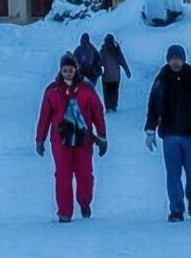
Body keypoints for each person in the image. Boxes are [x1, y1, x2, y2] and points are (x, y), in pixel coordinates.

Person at [141, 43, 191, 222]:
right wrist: (150, 129)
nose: (175, 62)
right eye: (172, 59)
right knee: (173, 173)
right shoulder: (162, 78)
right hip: (169, 134)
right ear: (168, 60)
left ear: (183, 59)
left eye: (178, 58)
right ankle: (176, 208)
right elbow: (153, 104)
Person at [33, 53, 108, 222]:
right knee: (63, 176)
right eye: (65, 70)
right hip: (61, 140)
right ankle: (65, 212)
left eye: (71, 70)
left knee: (85, 174)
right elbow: (44, 116)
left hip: (84, 139)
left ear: (76, 70)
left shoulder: (86, 89)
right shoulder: (52, 90)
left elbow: (97, 112)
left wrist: (102, 136)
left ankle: (84, 202)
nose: (68, 73)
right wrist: (40, 139)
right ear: (61, 71)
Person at [100, 33, 132, 111]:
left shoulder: (103, 50)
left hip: (106, 75)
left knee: (107, 92)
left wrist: (97, 70)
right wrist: (127, 71)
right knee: (114, 91)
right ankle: (113, 106)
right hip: (115, 75)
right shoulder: (117, 50)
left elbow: (99, 62)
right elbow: (122, 61)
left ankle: (108, 106)